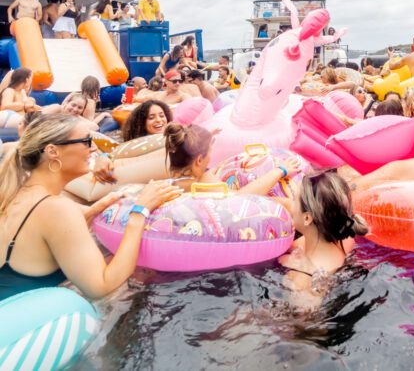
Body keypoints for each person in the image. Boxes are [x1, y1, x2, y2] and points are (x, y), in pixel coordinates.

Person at [0, 114, 182, 301]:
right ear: (53, 151)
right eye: (87, 141)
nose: (94, 148)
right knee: (143, 278)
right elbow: (102, 287)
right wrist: (140, 211)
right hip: (24, 324)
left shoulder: (17, 192)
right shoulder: (55, 209)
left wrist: (96, 209)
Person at [279, 170, 368, 302]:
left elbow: (301, 322)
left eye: (294, 201)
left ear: (307, 218)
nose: (291, 205)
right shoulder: (346, 240)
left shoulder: (300, 281)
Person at [163, 123, 302, 192]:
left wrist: (204, 140)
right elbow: (242, 197)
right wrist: (280, 171)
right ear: (199, 160)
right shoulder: (204, 185)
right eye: (209, 154)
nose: (210, 159)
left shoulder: (173, 181)